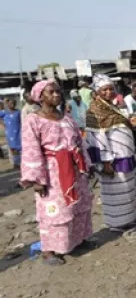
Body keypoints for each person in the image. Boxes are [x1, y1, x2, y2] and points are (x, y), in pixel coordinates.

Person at [19, 80, 94, 266]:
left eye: (58, 91)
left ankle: (78, 240)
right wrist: (36, 179)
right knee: (54, 212)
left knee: (79, 205)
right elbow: (30, 148)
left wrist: (86, 165)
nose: (57, 95)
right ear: (40, 97)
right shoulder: (33, 120)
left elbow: (79, 141)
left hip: (74, 169)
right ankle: (49, 251)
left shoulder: (67, 118)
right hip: (52, 172)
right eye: (51, 92)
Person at [85, 74, 136, 231]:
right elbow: (96, 139)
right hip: (113, 159)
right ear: (97, 92)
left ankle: (131, 218)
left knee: (129, 188)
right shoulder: (94, 111)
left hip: (126, 155)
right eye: (104, 90)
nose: (109, 92)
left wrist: (130, 123)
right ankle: (117, 223)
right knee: (117, 191)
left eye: (111, 89)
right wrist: (105, 162)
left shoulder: (113, 107)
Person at [2, 98, 22, 169]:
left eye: (13, 103)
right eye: (10, 103)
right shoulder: (4, 112)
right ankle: (15, 163)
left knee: (19, 147)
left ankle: (18, 163)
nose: (12, 105)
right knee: (12, 148)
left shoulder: (18, 112)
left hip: (18, 132)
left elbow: (21, 121)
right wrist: (2, 124)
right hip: (10, 133)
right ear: (8, 104)